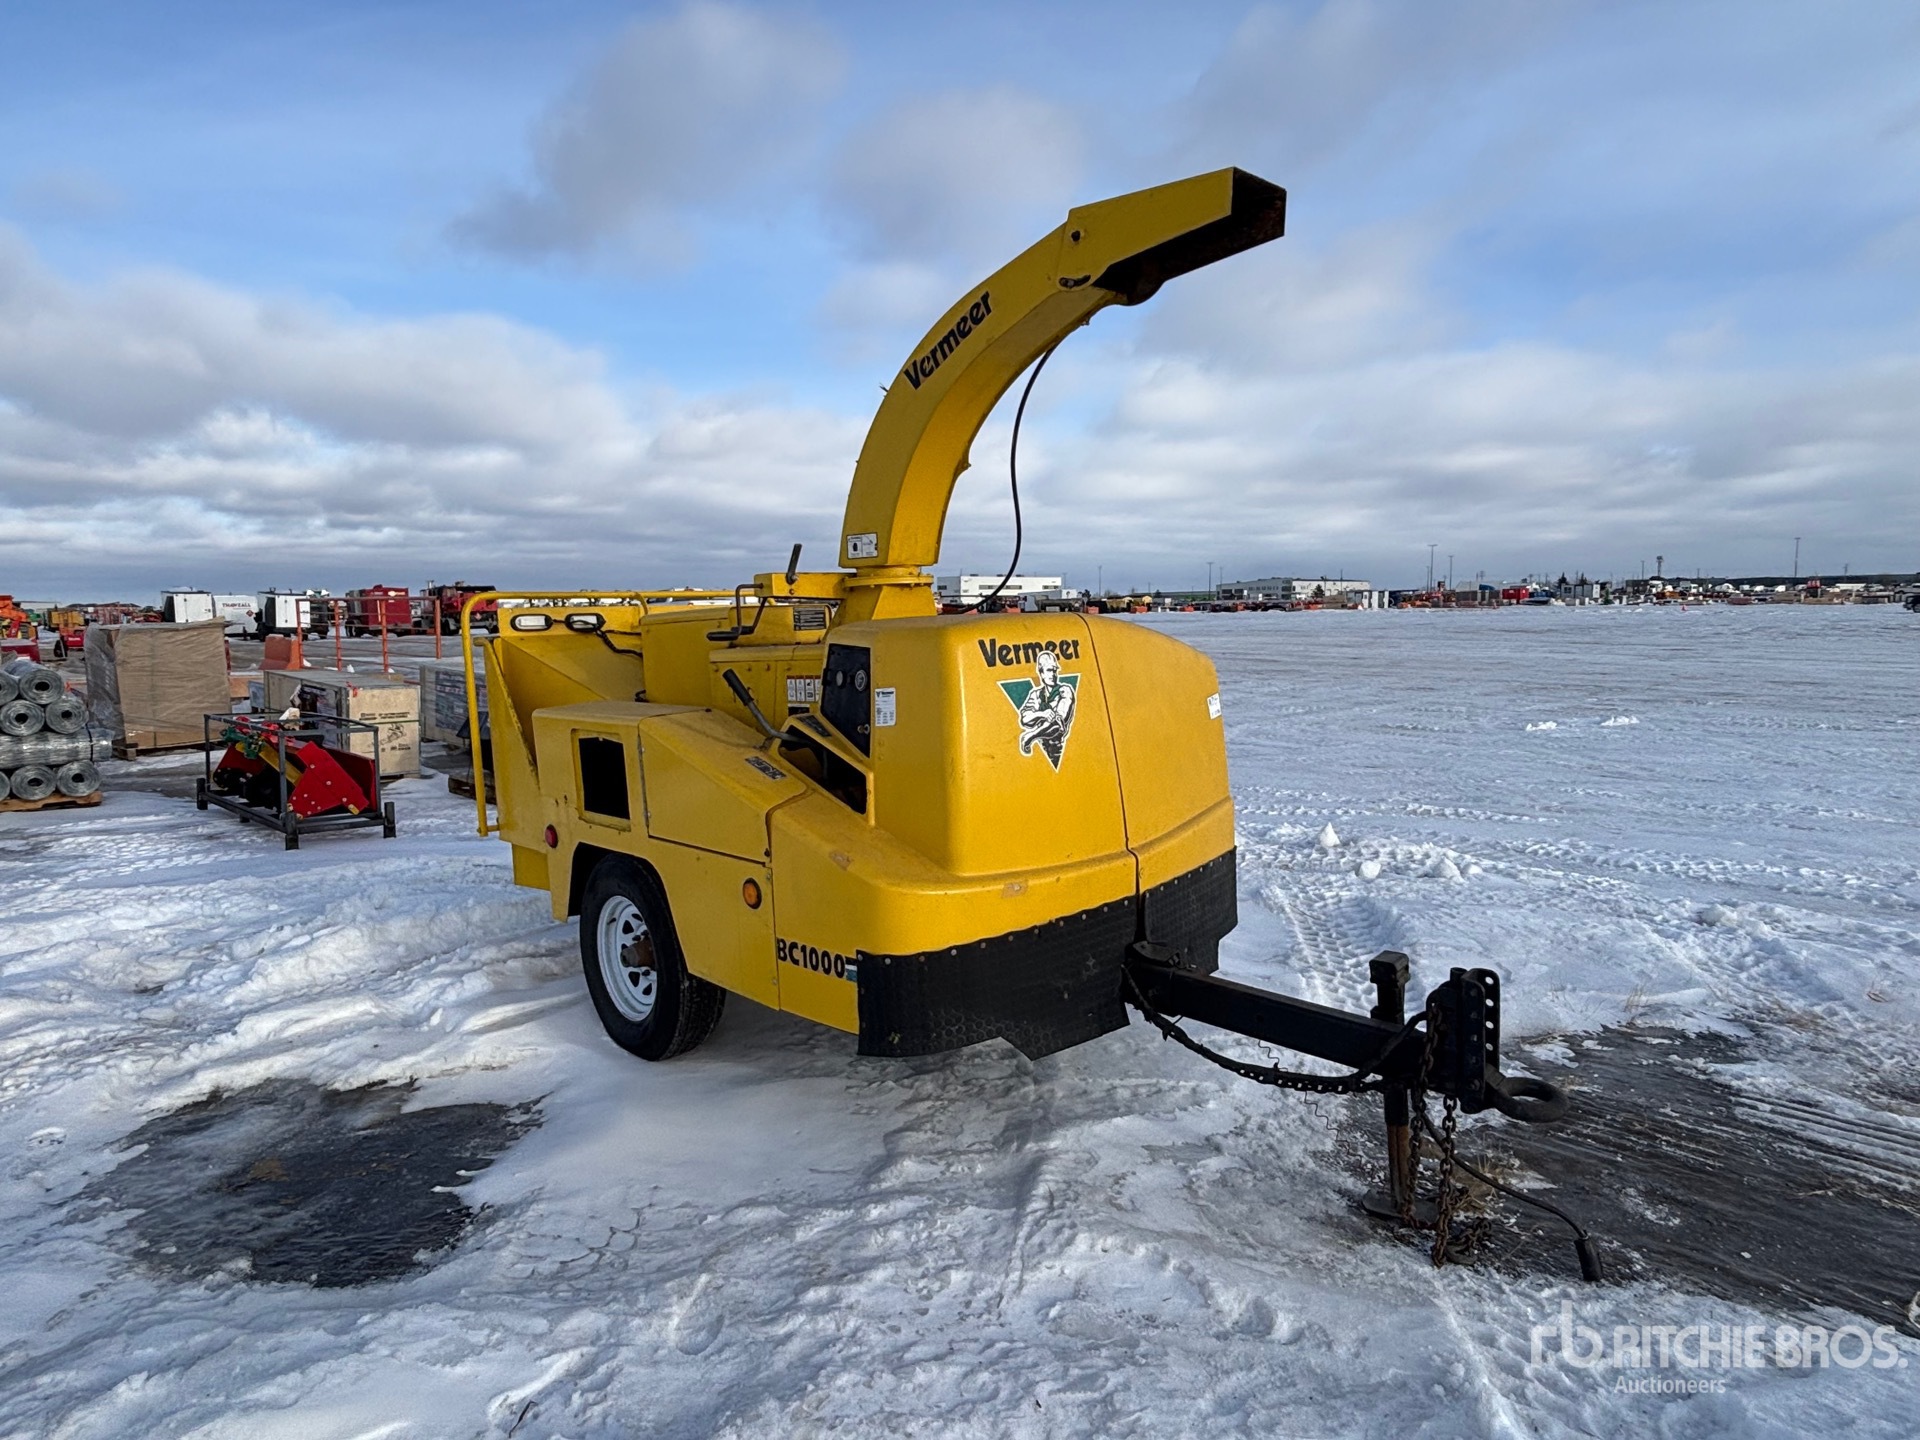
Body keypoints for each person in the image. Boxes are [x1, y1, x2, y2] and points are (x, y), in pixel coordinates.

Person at [1017, 649, 1076, 766]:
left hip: (1059, 749)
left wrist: (1030, 736)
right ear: (1041, 673)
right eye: (1049, 670)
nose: (1053, 675)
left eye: (1054, 671)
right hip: (1040, 751)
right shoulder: (1036, 694)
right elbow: (1024, 719)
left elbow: (1058, 722)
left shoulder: (1065, 690)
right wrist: (1042, 714)